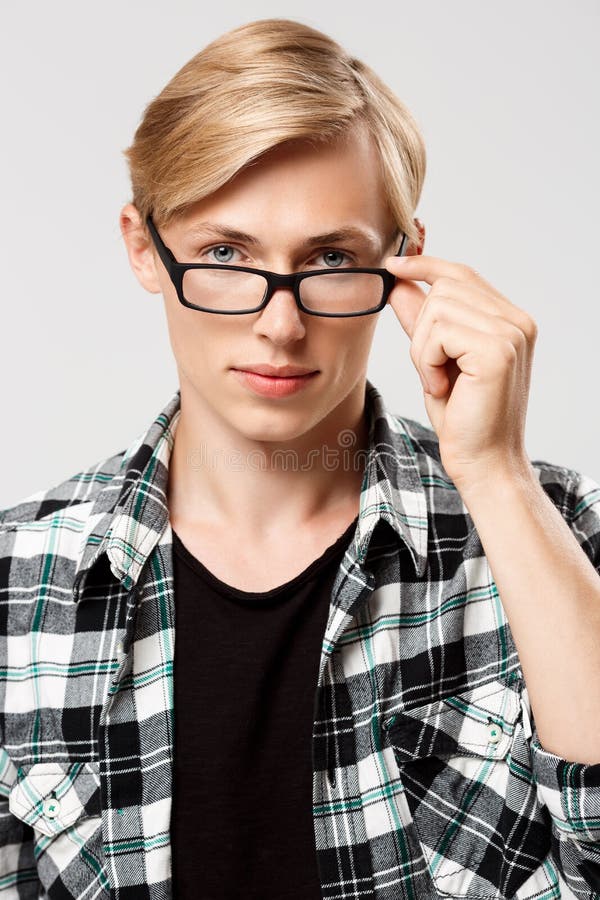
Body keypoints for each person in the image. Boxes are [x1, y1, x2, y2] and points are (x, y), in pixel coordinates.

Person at [1, 16, 599, 900]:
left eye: (330, 258)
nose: (281, 325)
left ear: (406, 265)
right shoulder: (20, 578)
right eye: (224, 254)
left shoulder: (552, 534)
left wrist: (498, 478)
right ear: (144, 248)